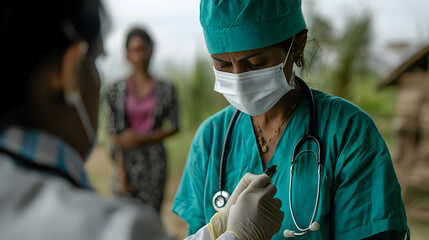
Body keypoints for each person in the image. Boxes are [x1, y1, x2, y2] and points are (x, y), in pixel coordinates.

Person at [0, 0, 284, 239]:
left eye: (255, 62)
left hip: (153, 166)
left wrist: (215, 229)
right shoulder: (114, 228)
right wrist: (238, 236)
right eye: (98, 60)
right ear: (71, 72)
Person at [172, 0, 410, 239]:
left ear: (298, 44)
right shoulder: (211, 138)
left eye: (254, 63)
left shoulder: (348, 131)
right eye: (221, 64)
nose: (238, 78)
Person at [105, 27, 178, 212]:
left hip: (154, 163)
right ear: (127, 54)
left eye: (142, 48)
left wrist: (139, 138)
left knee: (151, 217)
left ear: (151, 50)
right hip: (125, 163)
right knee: (124, 218)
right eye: (133, 50)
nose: (139, 55)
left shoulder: (166, 89)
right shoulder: (115, 90)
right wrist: (121, 171)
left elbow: (175, 126)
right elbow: (112, 130)